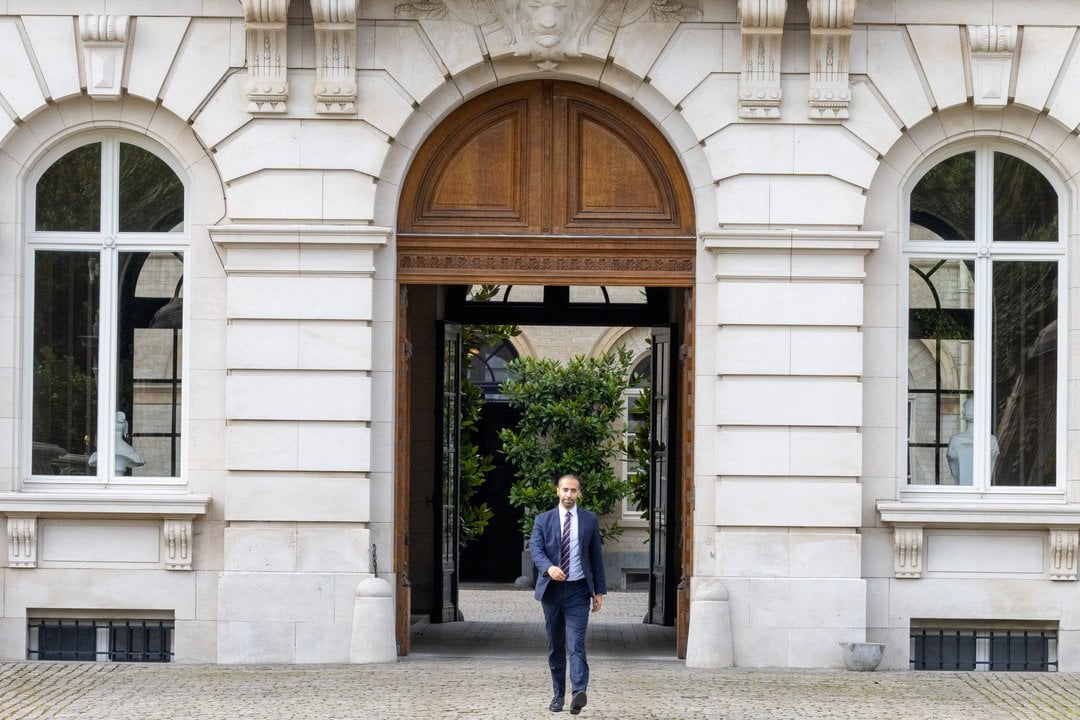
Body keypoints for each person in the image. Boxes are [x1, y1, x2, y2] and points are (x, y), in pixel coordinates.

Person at [530, 474, 606, 714]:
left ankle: (578, 693)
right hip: (552, 592)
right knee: (555, 646)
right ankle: (558, 695)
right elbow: (536, 549)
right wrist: (548, 567)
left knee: (576, 643)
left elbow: (595, 556)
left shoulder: (589, 520)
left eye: (573, 491)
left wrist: (599, 591)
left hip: (578, 591)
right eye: (565, 490)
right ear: (557, 491)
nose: (569, 495)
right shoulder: (543, 520)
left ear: (579, 493)